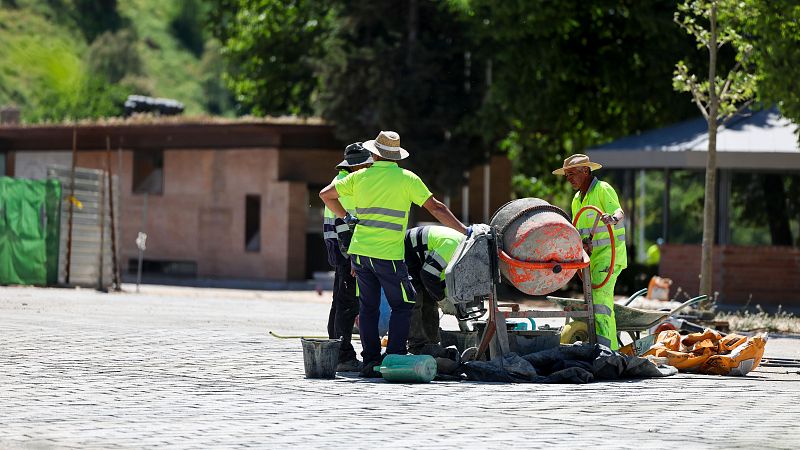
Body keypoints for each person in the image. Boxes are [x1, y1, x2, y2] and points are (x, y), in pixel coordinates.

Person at [319, 130, 467, 377]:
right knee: (403, 303)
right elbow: (436, 207)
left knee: (368, 307)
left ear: (374, 153)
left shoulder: (360, 177)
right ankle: (394, 357)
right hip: (387, 254)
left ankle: (370, 362)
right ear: (396, 156)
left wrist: (346, 216)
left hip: (360, 254)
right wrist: (464, 230)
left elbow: (325, 195)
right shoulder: (407, 179)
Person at [553, 154, 627, 350]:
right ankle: (598, 346)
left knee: (601, 301)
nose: (568, 178)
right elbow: (579, 232)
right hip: (591, 259)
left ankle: (609, 351)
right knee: (593, 303)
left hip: (610, 256)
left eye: (572, 173)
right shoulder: (577, 199)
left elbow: (619, 212)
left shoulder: (602, 189)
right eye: (566, 175)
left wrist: (612, 218)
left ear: (585, 171)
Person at [322, 142, 373, 372]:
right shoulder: (347, 185)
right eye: (366, 165)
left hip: (339, 249)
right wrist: (353, 257)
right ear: (357, 166)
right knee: (348, 303)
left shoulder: (340, 180)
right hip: (347, 250)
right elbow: (345, 226)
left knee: (339, 301)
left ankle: (336, 350)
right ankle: (343, 355)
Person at [404, 225, 466, 357]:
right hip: (406, 251)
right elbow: (428, 275)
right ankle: (417, 346)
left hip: (423, 258)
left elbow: (442, 280)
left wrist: (462, 318)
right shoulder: (453, 246)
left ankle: (431, 344)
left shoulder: (463, 256)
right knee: (415, 299)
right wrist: (443, 301)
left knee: (431, 300)